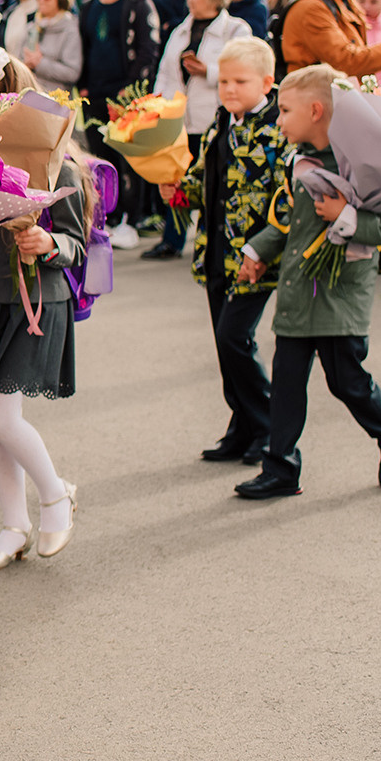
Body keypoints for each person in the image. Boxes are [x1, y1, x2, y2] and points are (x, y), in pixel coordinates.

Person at [233, 67, 381, 500]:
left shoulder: (364, 162)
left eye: (284, 110)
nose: (278, 119)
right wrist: (257, 251)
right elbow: (293, 224)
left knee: (347, 382)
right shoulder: (302, 158)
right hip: (300, 291)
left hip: (340, 296)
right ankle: (281, 468)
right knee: (287, 383)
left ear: (316, 111)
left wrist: (346, 216)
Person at [0, 50, 92, 571]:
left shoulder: (58, 162)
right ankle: (13, 525)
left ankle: (55, 496)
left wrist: (46, 240)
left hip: (36, 301)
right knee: (2, 417)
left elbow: (77, 246)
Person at [169, 37, 285, 466]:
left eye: (241, 81)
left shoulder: (276, 128)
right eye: (225, 82)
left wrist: (263, 249)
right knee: (225, 344)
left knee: (234, 337)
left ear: (268, 82)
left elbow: (287, 196)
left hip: (253, 257)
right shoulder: (223, 121)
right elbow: (203, 178)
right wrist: (179, 190)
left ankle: (268, 425)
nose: (230, 89)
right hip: (216, 250)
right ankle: (242, 426)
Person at [150, 0, 253, 259]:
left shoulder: (236, 30)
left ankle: (214, 240)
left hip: (215, 118)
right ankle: (172, 239)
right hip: (180, 118)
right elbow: (166, 72)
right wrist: (159, 104)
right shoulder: (182, 30)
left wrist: (208, 71)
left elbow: (244, 69)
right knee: (176, 176)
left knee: (214, 178)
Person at [77, 0, 162, 246]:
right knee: (100, 157)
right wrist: (84, 85)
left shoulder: (139, 5)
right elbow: (84, 48)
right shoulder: (88, 7)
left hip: (126, 97)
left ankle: (130, 218)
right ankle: (107, 217)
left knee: (128, 160)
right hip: (95, 95)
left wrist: (132, 86)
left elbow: (148, 50)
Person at [21, 0, 82, 90]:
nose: (41, 0)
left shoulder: (70, 30)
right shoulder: (32, 27)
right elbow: (21, 58)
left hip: (56, 100)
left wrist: (39, 64)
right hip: (29, 95)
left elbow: (72, 73)